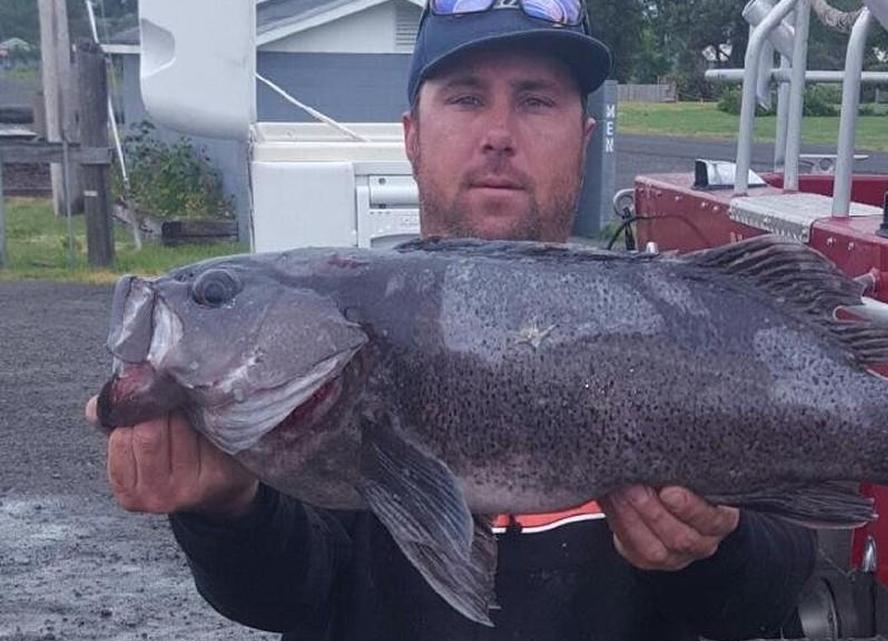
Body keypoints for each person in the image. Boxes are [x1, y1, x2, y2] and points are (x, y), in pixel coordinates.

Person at [86, 1, 818, 639]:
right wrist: (225, 510)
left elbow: (767, 597)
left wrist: (717, 549)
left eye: (536, 101)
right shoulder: (313, 376)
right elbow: (294, 594)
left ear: (585, 140)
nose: (498, 133)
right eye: (466, 98)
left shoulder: (672, 315)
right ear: (412, 135)